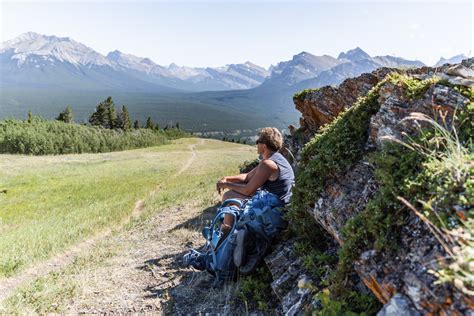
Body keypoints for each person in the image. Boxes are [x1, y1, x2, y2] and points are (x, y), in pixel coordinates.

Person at [216, 127, 295, 235]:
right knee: (232, 197)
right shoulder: (276, 158)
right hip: (276, 202)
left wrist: (225, 184)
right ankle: (229, 228)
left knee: (229, 196)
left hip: (275, 208)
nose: (256, 144)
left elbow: (247, 190)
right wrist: (227, 178)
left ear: (264, 146)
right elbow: (248, 177)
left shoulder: (268, 164)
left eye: (258, 141)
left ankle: (225, 233)